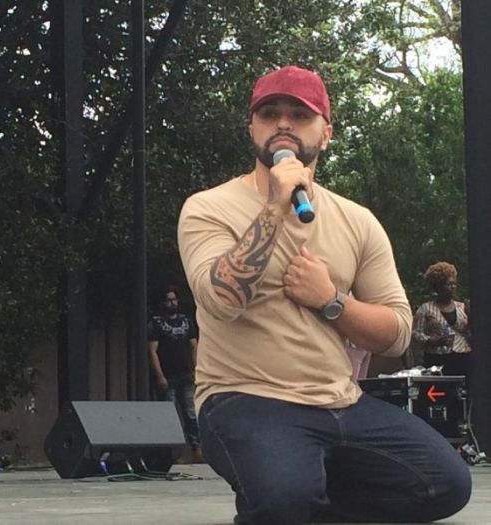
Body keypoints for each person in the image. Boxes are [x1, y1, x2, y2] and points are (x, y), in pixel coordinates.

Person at [177, 65, 470, 524]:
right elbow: (221, 300)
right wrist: (276, 203)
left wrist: (332, 300)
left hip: (341, 402)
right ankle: (287, 499)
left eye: (300, 114)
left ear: (326, 132)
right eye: (270, 113)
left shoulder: (357, 220)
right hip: (244, 397)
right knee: (285, 498)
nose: (284, 124)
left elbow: (396, 333)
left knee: (446, 485)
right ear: (252, 127)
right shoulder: (208, 207)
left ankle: (299, 504)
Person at [147, 285, 200, 453]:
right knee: (168, 414)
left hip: (186, 373)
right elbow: (152, 351)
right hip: (168, 375)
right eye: (168, 300)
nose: (172, 303)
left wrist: (196, 369)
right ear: (162, 302)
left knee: (191, 412)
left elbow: (194, 347)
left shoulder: (186, 321)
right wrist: (160, 375)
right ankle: (169, 450)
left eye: (174, 299)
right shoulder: (156, 323)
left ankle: (196, 448)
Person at [412, 261, 471, 377]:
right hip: (437, 358)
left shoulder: (462, 307)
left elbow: (469, 333)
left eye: (454, 284)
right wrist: (432, 341)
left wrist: (471, 318)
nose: (453, 287)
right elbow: (416, 334)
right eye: (448, 284)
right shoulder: (426, 308)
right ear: (438, 286)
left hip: (462, 356)